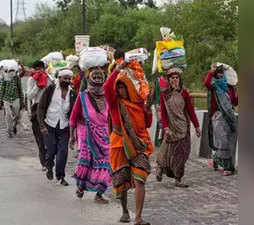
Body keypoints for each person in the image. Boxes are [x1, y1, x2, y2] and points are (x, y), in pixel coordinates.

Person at [104, 60, 153, 225]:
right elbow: (106, 87)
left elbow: (147, 123)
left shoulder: (139, 103)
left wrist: (148, 110)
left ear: (129, 87)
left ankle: (138, 217)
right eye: (118, 87)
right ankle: (125, 211)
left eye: (123, 86)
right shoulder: (114, 103)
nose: (120, 90)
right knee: (122, 182)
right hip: (119, 145)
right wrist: (117, 69)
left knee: (140, 179)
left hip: (140, 144)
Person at [69, 67, 112, 204]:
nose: (98, 79)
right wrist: (72, 136)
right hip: (85, 133)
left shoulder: (108, 97)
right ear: (89, 79)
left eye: (101, 77)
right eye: (95, 77)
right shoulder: (82, 96)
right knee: (86, 162)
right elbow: (73, 117)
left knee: (105, 164)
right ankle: (81, 187)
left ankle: (99, 194)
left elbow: (112, 117)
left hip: (104, 135)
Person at [155, 67, 201, 187]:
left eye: (176, 78)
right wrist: (165, 127)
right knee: (167, 152)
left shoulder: (184, 93)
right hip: (170, 128)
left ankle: (177, 178)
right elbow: (164, 113)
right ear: (169, 80)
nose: (174, 80)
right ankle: (161, 168)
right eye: (172, 78)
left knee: (182, 153)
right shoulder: (164, 94)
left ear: (180, 79)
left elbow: (190, 111)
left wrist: (196, 126)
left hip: (182, 127)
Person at [38, 69, 76, 186]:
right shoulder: (50, 90)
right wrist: (42, 125)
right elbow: (41, 108)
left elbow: (74, 112)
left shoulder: (73, 93)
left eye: (69, 79)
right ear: (59, 78)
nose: (67, 80)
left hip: (64, 127)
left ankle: (61, 176)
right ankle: (49, 167)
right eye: (64, 78)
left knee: (63, 152)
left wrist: (74, 131)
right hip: (49, 125)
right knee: (51, 151)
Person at [204, 64, 238, 176]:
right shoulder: (214, 85)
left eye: (222, 73)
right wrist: (210, 72)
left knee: (229, 141)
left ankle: (216, 160)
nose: (220, 75)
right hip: (218, 116)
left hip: (229, 117)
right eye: (218, 72)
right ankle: (227, 167)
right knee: (222, 141)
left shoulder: (230, 88)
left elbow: (235, 102)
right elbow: (206, 83)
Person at [27, 60, 53, 171]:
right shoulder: (31, 80)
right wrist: (37, 85)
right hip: (36, 109)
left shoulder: (50, 79)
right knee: (40, 138)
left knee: (49, 137)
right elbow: (29, 96)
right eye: (36, 69)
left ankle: (50, 159)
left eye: (40, 69)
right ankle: (44, 163)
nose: (39, 71)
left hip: (49, 109)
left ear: (44, 68)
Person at [0, 63, 24, 138]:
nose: (11, 72)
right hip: (6, 99)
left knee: (17, 115)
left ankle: (14, 126)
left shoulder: (17, 78)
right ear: (8, 71)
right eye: (10, 71)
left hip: (16, 98)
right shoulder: (4, 78)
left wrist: (22, 101)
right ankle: (9, 130)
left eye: (13, 71)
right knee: (8, 115)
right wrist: (0, 102)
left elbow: (20, 89)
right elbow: (1, 90)